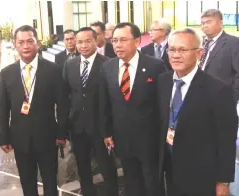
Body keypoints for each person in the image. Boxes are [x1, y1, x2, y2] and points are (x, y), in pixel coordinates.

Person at [158, 27, 237, 196]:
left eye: (183, 50)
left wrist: (223, 181)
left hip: (202, 173)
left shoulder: (218, 90)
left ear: (199, 53)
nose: (176, 55)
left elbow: (226, 139)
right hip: (170, 168)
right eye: (171, 49)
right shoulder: (163, 82)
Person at [0, 25, 68, 196]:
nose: (26, 46)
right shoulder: (7, 73)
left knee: (50, 181)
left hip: (47, 137)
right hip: (20, 138)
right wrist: (4, 136)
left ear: (37, 43)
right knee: (27, 182)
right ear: (15, 44)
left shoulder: (53, 70)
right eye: (21, 42)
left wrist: (61, 133)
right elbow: (3, 108)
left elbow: (63, 104)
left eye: (30, 41)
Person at [99, 22, 166, 196]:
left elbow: (163, 104)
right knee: (131, 182)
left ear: (137, 41)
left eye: (122, 40)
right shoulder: (108, 67)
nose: (117, 45)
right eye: (114, 40)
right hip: (123, 138)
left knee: (152, 183)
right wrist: (107, 132)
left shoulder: (155, 66)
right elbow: (105, 103)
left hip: (150, 139)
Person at [62, 27, 118, 196]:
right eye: (79, 41)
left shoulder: (108, 63)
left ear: (96, 41)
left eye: (88, 41)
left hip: (101, 127)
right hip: (78, 126)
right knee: (82, 166)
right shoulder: (70, 64)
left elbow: (113, 99)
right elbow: (66, 95)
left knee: (106, 166)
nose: (83, 45)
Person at [199, 9, 239, 99]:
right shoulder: (198, 42)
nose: (204, 26)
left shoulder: (233, 43)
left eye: (208, 22)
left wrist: (234, 96)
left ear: (220, 23)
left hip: (222, 96)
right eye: (202, 23)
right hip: (198, 94)